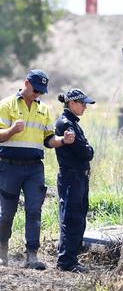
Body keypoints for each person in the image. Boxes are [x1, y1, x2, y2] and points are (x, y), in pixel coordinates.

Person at [0, 69, 75, 270]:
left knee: (34, 211)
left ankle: (32, 255)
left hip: (34, 169)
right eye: (35, 89)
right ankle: (2, 249)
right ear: (26, 83)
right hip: (9, 167)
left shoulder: (44, 109)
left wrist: (63, 141)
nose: (38, 94)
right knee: (6, 213)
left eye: (41, 91)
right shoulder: (6, 105)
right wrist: (12, 130)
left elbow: (48, 140)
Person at [54, 88, 95, 273]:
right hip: (72, 176)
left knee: (78, 217)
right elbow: (85, 152)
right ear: (71, 103)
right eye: (82, 103)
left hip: (77, 176)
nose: (85, 106)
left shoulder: (72, 123)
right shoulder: (66, 124)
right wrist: (88, 149)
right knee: (71, 218)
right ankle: (66, 261)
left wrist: (87, 150)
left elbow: (85, 151)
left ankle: (70, 259)